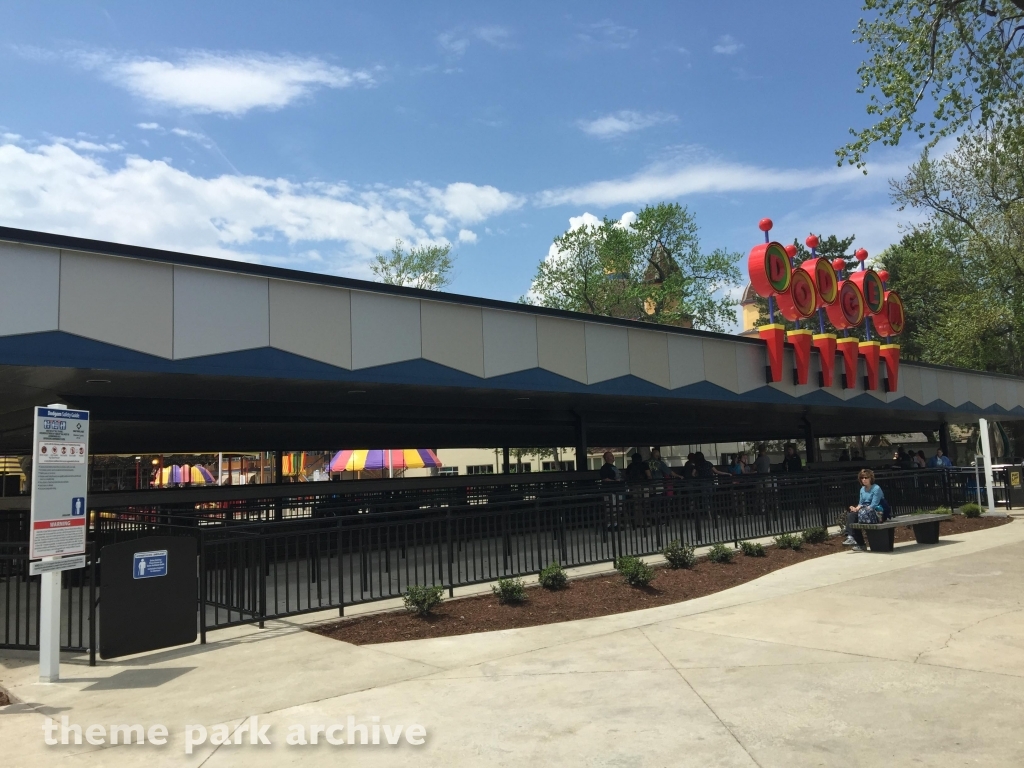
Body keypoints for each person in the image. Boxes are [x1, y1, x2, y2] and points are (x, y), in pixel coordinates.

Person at [843, 468, 885, 550]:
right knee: (851, 515)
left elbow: (874, 504)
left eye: (866, 477)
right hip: (865, 511)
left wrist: (862, 509)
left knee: (857, 516)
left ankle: (858, 542)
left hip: (877, 512)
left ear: (871, 478)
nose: (864, 480)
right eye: (862, 478)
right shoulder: (862, 489)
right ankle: (851, 537)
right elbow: (861, 503)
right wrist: (856, 509)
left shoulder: (876, 488)